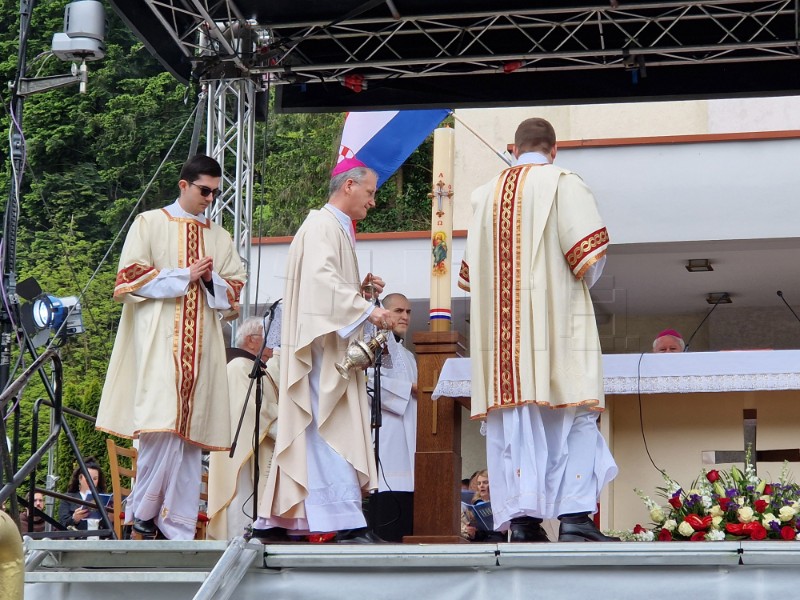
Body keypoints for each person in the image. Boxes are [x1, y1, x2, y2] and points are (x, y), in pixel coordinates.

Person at [458, 117, 619, 543]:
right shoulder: (564, 182)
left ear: (513, 148)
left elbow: (472, 277)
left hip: (502, 347)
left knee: (514, 426)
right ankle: (575, 520)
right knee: (575, 416)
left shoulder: (483, 196)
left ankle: (524, 524)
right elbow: (590, 260)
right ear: (554, 148)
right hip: (556, 332)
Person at [96, 154, 247, 540]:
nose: (210, 199)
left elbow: (233, 295)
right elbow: (129, 281)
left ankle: (176, 527)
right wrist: (185, 274)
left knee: (190, 438)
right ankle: (142, 513)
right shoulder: (149, 223)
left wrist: (212, 278)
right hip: (160, 342)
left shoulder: (220, 236)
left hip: (203, 351)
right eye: (203, 191)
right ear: (183, 185)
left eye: (215, 192)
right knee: (160, 427)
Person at [253, 157, 399, 544]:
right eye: (369, 193)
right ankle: (346, 519)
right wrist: (371, 310)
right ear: (348, 186)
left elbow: (329, 286)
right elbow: (320, 284)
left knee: (317, 430)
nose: (372, 202)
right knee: (328, 426)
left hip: (327, 348)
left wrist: (361, 290)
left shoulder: (333, 227)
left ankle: (288, 519)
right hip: (322, 356)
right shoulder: (322, 225)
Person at [207, 316, 280, 540]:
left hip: (254, 447)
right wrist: (283, 422)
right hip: (241, 454)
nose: (272, 347)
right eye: (269, 340)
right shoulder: (239, 366)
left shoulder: (256, 368)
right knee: (241, 499)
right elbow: (248, 409)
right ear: (251, 341)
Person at [366, 292, 418, 542]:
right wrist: (408, 390)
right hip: (386, 433)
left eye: (408, 312)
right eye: (398, 311)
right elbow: (367, 383)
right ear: (384, 313)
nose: (405, 316)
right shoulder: (375, 344)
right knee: (388, 495)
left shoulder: (407, 355)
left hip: (409, 432)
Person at [58, 460, 106, 531]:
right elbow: (62, 524)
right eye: (88, 478)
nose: (91, 481)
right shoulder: (68, 499)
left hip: (101, 539)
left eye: (95, 479)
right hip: (79, 540)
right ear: (80, 478)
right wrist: (74, 519)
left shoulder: (103, 499)